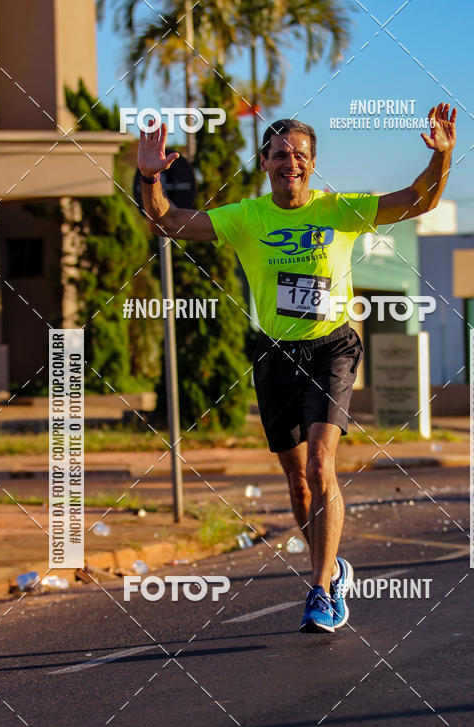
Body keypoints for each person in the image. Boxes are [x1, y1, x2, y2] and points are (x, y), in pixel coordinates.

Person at [137, 104, 456, 633]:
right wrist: (150, 177)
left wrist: (441, 159)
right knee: (298, 482)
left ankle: (321, 590)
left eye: (301, 155)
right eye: (281, 154)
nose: (292, 163)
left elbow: (421, 199)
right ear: (264, 162)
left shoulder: (340, 211)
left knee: (320, 465)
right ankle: (331, 566)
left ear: (313, 163)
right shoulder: (246, 217)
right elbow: (166, 222)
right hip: (274, 355)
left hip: (332, 349)